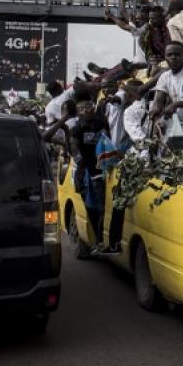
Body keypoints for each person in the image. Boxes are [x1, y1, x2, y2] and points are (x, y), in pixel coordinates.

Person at [44, 100, 110, 252]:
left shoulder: (101, 122)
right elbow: (76, 155)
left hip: (103, 170)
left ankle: (100, 239)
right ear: (77, 112)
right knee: (91, 207)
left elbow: (109, 141)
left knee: (102, 208)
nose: (87, 111)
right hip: (86, 172)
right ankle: (98, 239)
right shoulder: (75, 130)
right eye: (82, 108)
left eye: (89, 107)